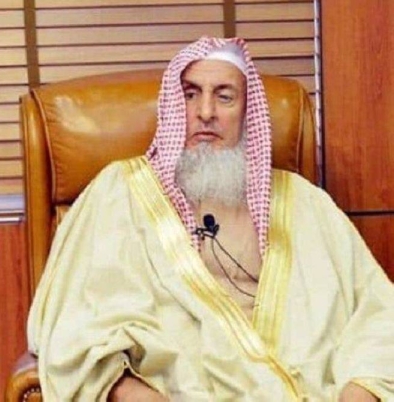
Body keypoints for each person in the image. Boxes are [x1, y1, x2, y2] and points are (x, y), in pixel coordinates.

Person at [26, 37, 394, 401]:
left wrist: (359, 393)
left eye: (224, 96)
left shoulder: (303, 202)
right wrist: (132, 394)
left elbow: (377, 308)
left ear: (247, 112)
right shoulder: (119, 193)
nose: (205, 112)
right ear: (173, 105)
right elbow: (73, 324)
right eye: (190, 94)